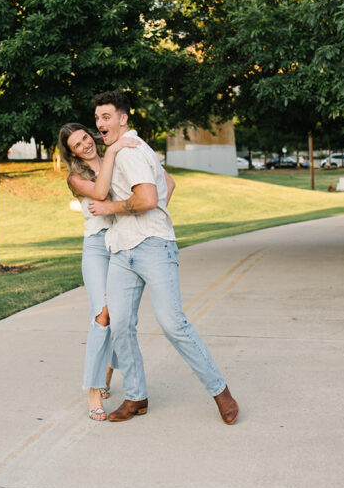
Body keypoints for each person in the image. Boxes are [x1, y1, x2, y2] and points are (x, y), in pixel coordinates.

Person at [87, 91, 240, 425]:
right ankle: (136, 397)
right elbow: (168, 183)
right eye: (97, 118)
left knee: (172, 322)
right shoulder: (119, 151)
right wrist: (145, 212)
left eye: (106, 117)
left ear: (123, 118)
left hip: (153, 246)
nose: (100, 124)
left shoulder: (132, 151)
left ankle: (221, 391)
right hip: (121, 250)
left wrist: (123, 210)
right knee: (122, 325)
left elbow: (150, 196)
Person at [57, 123, 137, 421]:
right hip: (96, 248)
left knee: (119, 317)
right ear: (72, 152)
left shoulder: (115, 162)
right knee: (101, 314)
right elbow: (102, 195)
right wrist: (116, 147)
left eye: (84, 137)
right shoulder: (76, 177)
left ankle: (105, 373)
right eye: (77, 145)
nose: (85, 144)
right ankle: (93, 388)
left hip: (122, 244)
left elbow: (152, 189)